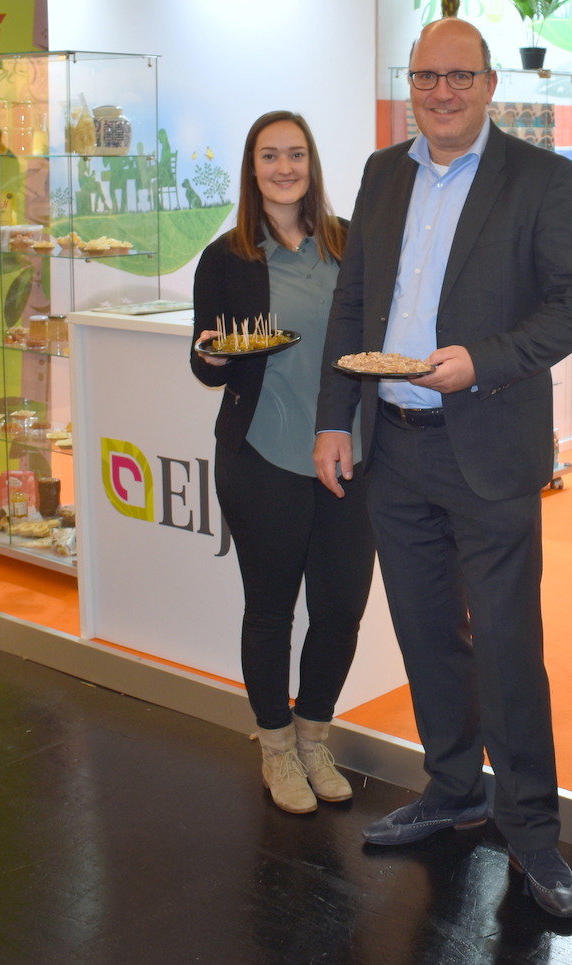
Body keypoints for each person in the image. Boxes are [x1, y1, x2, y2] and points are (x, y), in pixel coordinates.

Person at [313, 18, 572, 918]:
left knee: (508, 646)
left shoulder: (541, 178)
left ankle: (531, 831)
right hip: (394, 445)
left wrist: (484, 360)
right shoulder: (382, 173)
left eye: (460, 77)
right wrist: (333, 419)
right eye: (427, 77)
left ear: (489, 85)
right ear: (410, 84)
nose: (442, 93)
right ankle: (452, 789)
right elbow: (354, 302)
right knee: (427, 632)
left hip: (488, 444)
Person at [191, 111, 375, 816]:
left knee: (340, 612)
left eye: (295, 154)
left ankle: (313, 738)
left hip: (351, 458)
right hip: (262, 455)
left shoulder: (350, 242)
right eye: (269, 156)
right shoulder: (227, 257)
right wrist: (210, 356)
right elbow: (207, 359)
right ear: (252, 168)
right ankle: (275, 747)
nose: (284, 167)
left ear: (312, 163)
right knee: (270, 611)